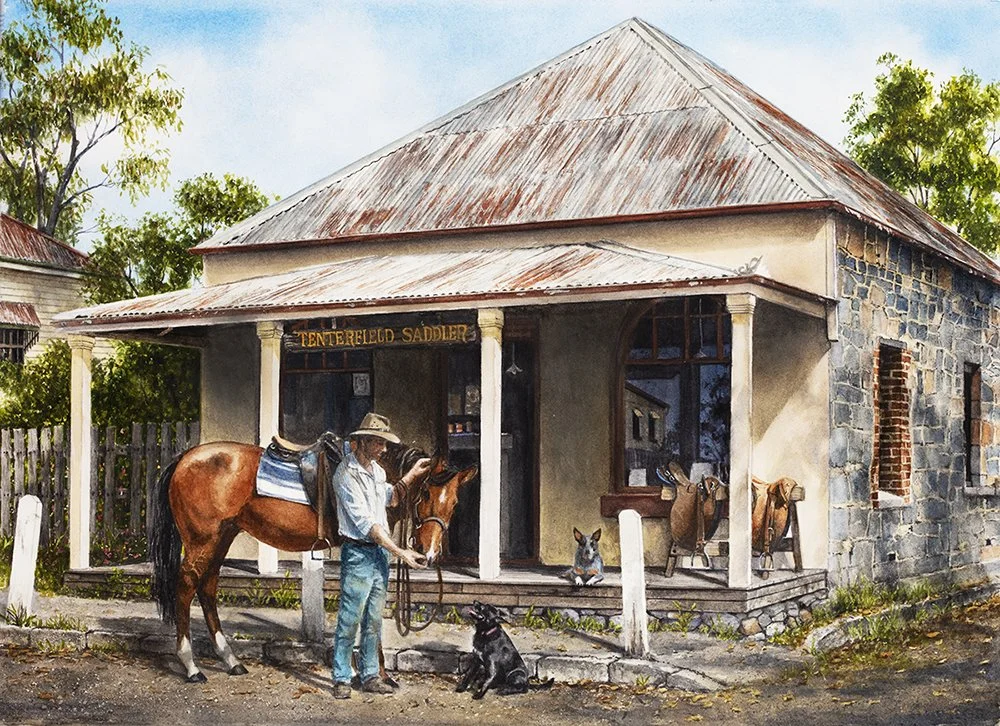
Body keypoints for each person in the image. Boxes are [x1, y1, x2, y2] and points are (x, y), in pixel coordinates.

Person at [330, 412, 430, 699]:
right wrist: (401, 553)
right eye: (378, 443)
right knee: (350, 618)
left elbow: (391, 497)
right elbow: (369, 526)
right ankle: (341, 677)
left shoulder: (377, 471)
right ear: (360, 443)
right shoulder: (345, 476)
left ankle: (370, 674)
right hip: (359, 553)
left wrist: (412, 475)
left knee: (374, 619)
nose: (384, 449)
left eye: (384, 443)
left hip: (379, 556)